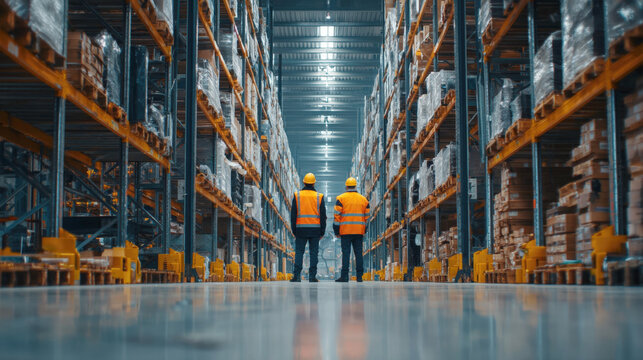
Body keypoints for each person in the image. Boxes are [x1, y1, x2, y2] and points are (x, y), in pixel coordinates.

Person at [290, 173, 326, 282]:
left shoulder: (297, 195)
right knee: (313, 253)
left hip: (300, 229)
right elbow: (323, 216)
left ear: (304, 182)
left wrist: (294, 230)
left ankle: (296, 276)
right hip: (315, 229)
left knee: (299, 252)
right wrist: (322, 232)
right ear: (314, 183)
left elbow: (293, 215)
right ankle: (312, 276)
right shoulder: (319, 197)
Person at [334, 177, 369, 282]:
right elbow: (367, 217)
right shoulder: (364, 199)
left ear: (346, 186)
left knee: (346, 253)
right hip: (359, 231)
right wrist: (364, 230)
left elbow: (337, 217)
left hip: (345, 231)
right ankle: (359, 277)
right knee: (358, 253)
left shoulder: (341, 198)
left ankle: (344, 276)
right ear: (355, 186)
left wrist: (336, 231)